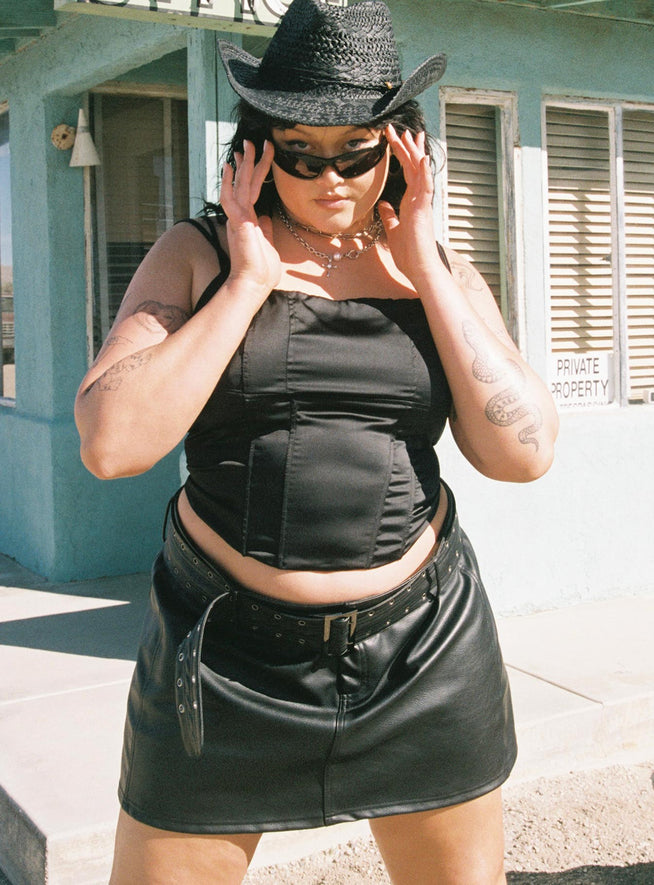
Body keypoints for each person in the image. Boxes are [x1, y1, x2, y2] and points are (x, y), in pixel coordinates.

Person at [75, 0, 558, 882]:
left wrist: (428, 264)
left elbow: (522, 454)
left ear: (400, 150)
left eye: (356, 151)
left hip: (422, 653)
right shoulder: (198, 255)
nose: (329, 177)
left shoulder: (441, 271)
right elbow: (111, 444)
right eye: (301, 151)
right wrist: (247, 282)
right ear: (257, 150)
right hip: (224, 659)